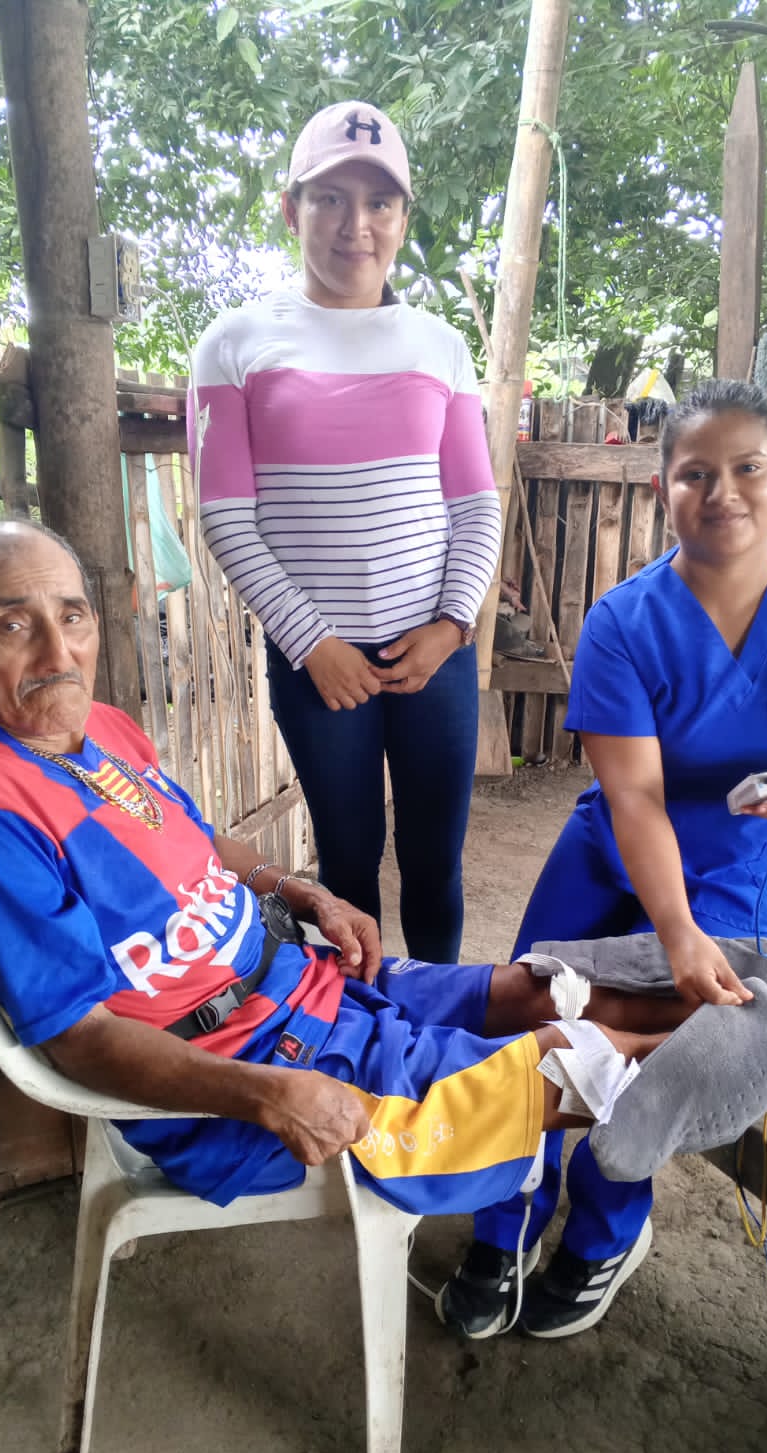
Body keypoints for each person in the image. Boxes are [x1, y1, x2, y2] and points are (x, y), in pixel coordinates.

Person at [0, 520, 767, 1220]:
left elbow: (205, 850)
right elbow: (77, 1039)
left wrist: (304, 891)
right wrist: (266, 1093)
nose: (59, 651)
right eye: (12, 625)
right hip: (247, 1077)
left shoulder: (100, 733)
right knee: (595, 1062)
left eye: (72, 615)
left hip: (310, 992)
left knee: (557, 989)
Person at [440, 378, 767, 1340]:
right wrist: (673, 931)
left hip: (748, 872)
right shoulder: (626, 621)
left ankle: (607, 1230)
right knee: (539, 1013)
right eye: (696, 473)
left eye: (748, 469)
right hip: (615, 852)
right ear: (662, 488)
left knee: (657, 1051)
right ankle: (507, 1217)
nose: (723, 493)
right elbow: (636, 798)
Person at [188, 100, 500, 965]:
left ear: (402, 217)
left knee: (435, 864)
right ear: (292, 211)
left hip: (432, 656)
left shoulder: (440, 345)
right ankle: (361, 1024)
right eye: (329, 198)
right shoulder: (234, 344)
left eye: (378, 202)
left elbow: (476, 504)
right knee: (349, 867)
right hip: (317, 665)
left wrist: (451, 626)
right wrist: (313, 643)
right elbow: (226, 517)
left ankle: (441, 1016)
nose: (355, 224)